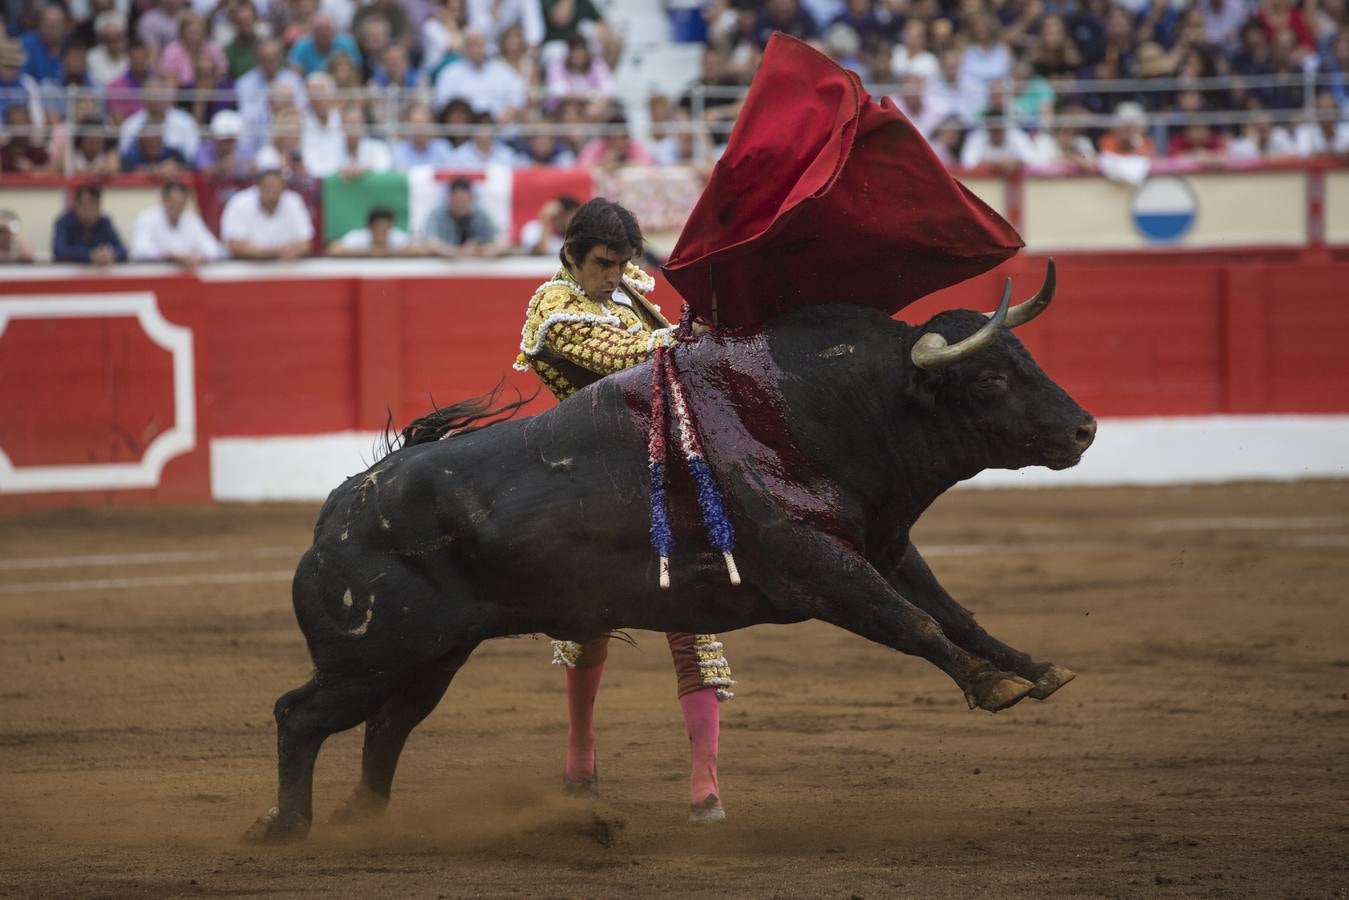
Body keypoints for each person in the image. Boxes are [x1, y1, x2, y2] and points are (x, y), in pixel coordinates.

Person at [512, 197, 731, 824]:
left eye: (623, 263)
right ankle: (580, 753)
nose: (615, 274)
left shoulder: (629, 291)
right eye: (604, 264)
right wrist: (700, 327)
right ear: (572, 255)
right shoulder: (552, 311)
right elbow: (635, 358)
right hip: (591, 484)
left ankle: (705, 785)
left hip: (660, 476)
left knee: (696, 622)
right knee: (585, 627)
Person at [219, 167, 314, 259]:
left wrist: (274, 253)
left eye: (276, 188)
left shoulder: (293, 201)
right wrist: (276, 252)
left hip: (284, 267)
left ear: (284, 187)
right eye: (268, 188)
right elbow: (236, 245)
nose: (272, 194)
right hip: (243, 268)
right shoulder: (239, 202)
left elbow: (306, 244)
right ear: (257, 187)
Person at [131, 180, 225, 264]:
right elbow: (140, 250)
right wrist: (169, 255)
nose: (176, 207)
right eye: (172, 202)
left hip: (187, 275)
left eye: (180, 203)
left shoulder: (191, 220)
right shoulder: (147, 218)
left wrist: (200, 256)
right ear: (163, 200)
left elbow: (214, 249)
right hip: (155, 276)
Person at [423, 176, 505, 256]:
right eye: (458, 200)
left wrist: (483, 250)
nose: (461, 205)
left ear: (472, 198)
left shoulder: (482, 215)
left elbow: (503, 240)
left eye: (464, 200)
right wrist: (458, 252)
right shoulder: (437, 215)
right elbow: (430, 243)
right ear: (449, 199)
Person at [52, 183, 128, 265]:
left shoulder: (104, 222)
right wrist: (89, 254)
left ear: (99, 207)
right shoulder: (64, 222)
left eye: (92, 208)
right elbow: (59, 250)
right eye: (85, 207)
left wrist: (109, 254)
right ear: (76, 206)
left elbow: (122, 250)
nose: (88, 213)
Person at [327, 206, 417, 256]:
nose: (383, 231)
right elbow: (334, 249)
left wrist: (386, 252)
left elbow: (419, 249)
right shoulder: (358, 236)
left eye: (387, 228)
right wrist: (369, 252)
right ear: (369, 227)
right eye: (379, 227)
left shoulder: (396, 236)